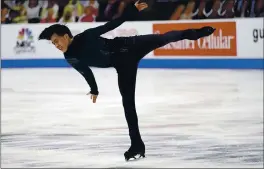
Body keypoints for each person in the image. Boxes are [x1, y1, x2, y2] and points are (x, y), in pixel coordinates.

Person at [38, 1, 215, 161]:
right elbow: (86, 72)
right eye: (53, 44)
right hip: (123, 66)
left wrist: (132, 10)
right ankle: (137, 145)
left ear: (66, 35)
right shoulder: (70, 57)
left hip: (130, 46)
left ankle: (193, 34)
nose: (56, 45)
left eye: (56, 41)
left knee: (162, 38)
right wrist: (94, 90)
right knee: (128, 105)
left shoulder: (86, 36)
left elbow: (111, 24)